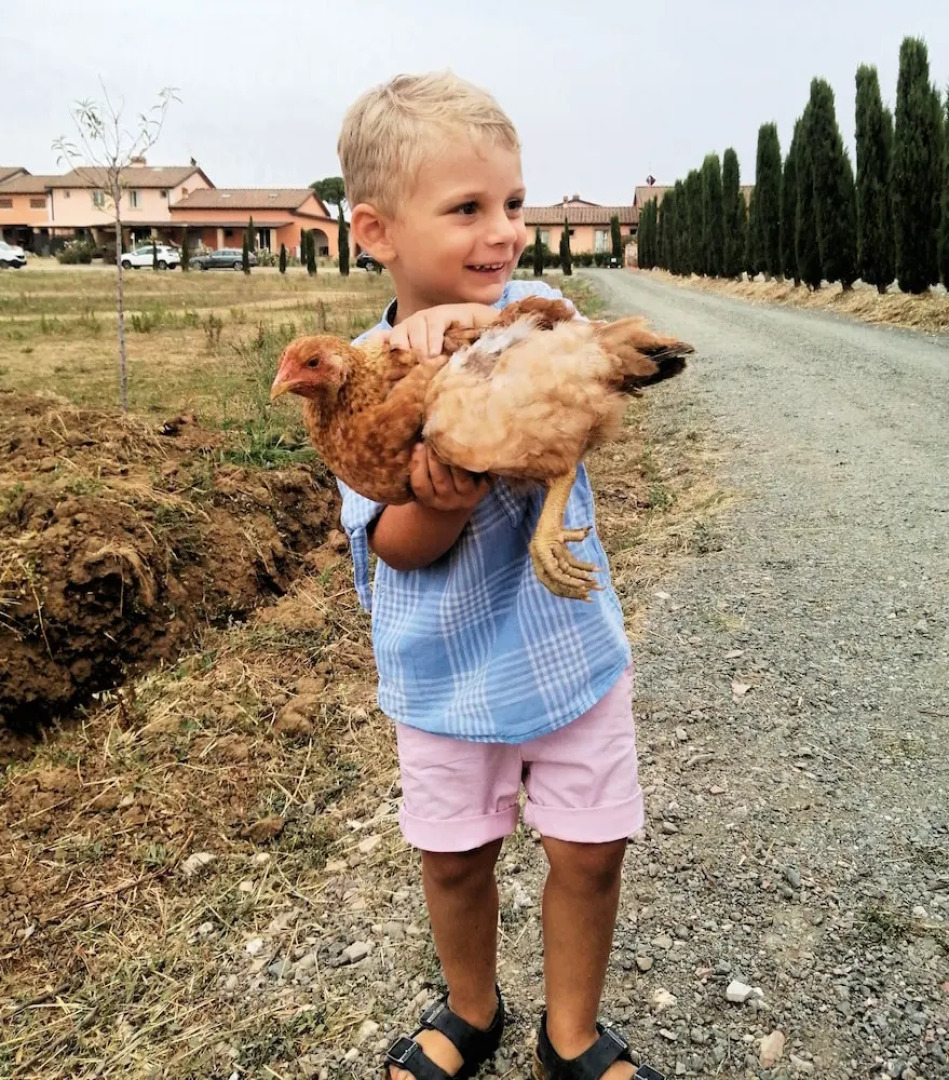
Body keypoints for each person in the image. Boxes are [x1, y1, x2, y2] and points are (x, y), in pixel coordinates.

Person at [338, 71, 659, 1080]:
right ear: (376, 231)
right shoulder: (358, 374)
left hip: (567, 655)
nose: (503, 232)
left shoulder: (537, 318)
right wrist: (439, 497)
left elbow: (580, 378)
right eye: (467, 208)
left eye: (512, 203)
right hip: (442, 675)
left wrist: (476, 340)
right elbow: (390, 547)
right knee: (453, 858)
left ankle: (571, 1036)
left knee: (590, 851)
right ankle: (472, 1008)